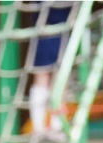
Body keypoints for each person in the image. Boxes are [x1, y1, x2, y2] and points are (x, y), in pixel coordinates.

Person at [26, 1, 73, 134]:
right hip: (49, 26)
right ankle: (47, 125)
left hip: (53, 26)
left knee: (51, 76)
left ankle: (46, 125)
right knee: (51, 76)